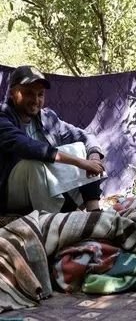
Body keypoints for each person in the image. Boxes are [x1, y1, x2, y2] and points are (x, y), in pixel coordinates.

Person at [0, 65, 105, 214]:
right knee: (35, 162)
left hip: (43, 187)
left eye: (40, 94)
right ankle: (72, 216)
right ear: (12, 93)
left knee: (80, 146)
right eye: (29, 93)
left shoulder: (48, 118)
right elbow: (26, 146)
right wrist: (80, 162)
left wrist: (94, 158)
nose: (36, 100)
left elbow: (85, 136)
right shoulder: (3, 116)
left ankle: (94, 211)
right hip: (10, 193)